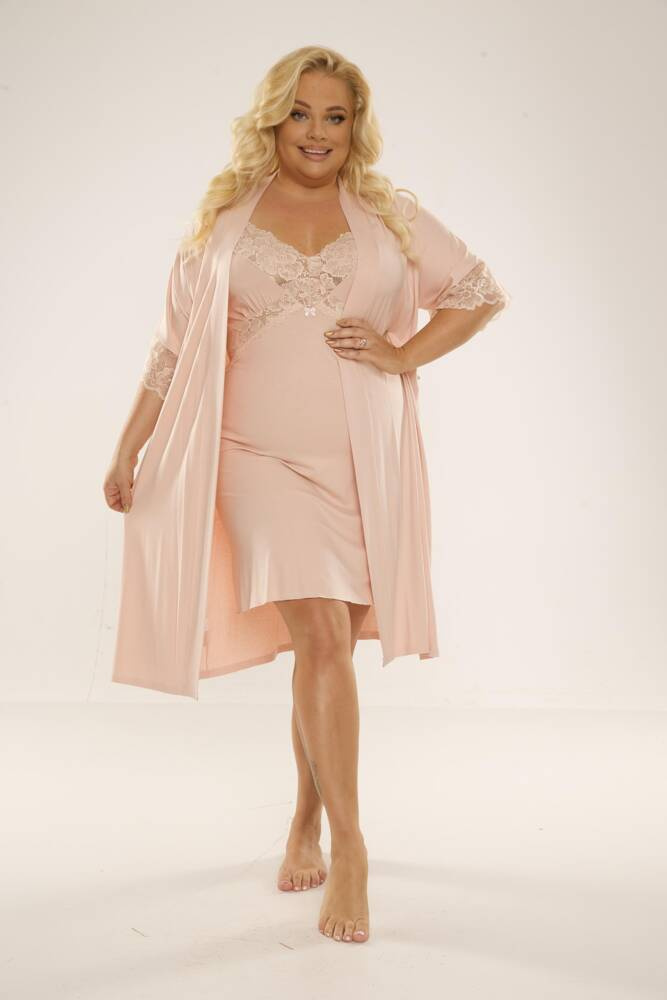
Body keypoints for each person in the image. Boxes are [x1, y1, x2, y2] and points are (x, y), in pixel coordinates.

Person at [103, 45, 510, 945]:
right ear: (271, 120)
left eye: (334, 116)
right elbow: (172, 351)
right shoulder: (224, 223)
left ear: (354, 127)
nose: (316, 132)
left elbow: (477, 292)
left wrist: (403, 354)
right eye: (300, 113)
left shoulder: (389, 214)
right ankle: (353, 847)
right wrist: (130, 447)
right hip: (254, 457)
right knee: (321, 633)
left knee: (322, 652)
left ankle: (306, 813)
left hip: (364, 461)